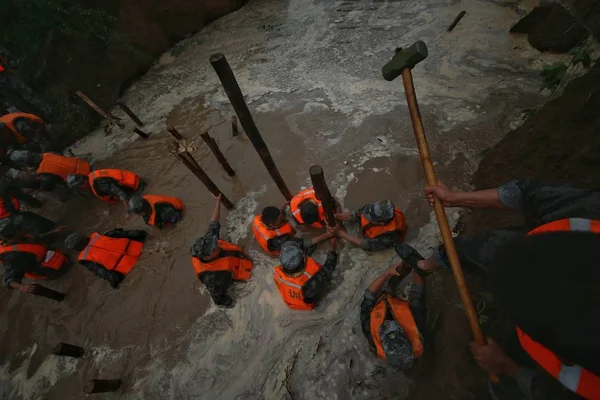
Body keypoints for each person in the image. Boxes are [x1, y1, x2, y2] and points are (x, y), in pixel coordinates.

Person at [412, 180, 600, 399]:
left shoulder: (576, 383)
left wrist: (505, 365)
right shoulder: (589, 210)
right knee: (486, 248)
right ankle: (429, 265)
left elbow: (544, 391)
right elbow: (526, 193)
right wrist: (454, 197)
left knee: (506, 388)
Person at [360, 254, 427, 370]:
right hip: (391, 301)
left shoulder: (368, 328)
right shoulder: (417, 324)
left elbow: (369, 295)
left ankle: (396, 278)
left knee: (391, 280)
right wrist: (419, 269)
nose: (388, 324)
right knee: (409, 266)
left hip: (384, 300)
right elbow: (418, 294)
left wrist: (387, 273)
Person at [190, 194, 253, 307]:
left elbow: (214, 222)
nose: (217, 245)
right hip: (234, 276)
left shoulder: (209, 241)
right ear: (207, 257)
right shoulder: (212, 278)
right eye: (214, 248)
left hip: (234, 261)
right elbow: (219, 299)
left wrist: (218, 203)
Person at [0, 219, 70, 293]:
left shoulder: (20, 237)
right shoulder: (13, 256)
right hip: (54, 271)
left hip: (55, 257)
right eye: (21, 227)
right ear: (17, 232)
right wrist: (22, 287)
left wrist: (53, 232)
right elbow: (10, 279)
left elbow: (36, 239)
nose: (24, 227)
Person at [64, 229, 146, 288]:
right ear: (84, 236)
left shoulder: (86, 259)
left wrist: (114, 284)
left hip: (131, 269)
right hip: (143, 249)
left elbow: (104, 273)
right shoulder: (102, 236)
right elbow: (133, 233)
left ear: (76, 249)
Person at [273, 238, 338, 310]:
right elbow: (328, 268)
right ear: (303, 259)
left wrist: (322, 237)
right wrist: (332, 247)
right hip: (310, 304)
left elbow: (292, 244)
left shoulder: (277, 271)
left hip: (291, 301)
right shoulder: (309, 287)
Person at [252, 204, 336, 256]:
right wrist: (326, 235)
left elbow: (278, 215)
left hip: (273, 233)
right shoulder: (279, 240)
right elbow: (303, 243)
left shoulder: (261, 218)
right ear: (271, 224)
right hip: (282, 247)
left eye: (280, 214)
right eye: (279, 218)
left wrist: (284, 205)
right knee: (310, 247)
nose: (282, 217)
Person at [8, 150, 90, 201]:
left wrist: (38, 189)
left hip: (81, 180)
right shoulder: (48, 153)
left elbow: (48, 185)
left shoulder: (43, 171)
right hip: (85, 166)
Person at [335, 200, 407, 250]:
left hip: (381, 241)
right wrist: (335, 216)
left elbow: (364, 244)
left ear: (381, 223)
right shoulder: (369, 209)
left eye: (370, 218)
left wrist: (340, 233)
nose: (367, 218)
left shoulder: (390, 237)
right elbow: (352, 216)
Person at [66, 169, 146, 204]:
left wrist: (127, 210)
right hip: (135, 179)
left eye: (80, 187)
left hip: (138, 187)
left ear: (81, 184)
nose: (82, 189)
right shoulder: (92, 176)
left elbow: (121, 194)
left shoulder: (98, 184)